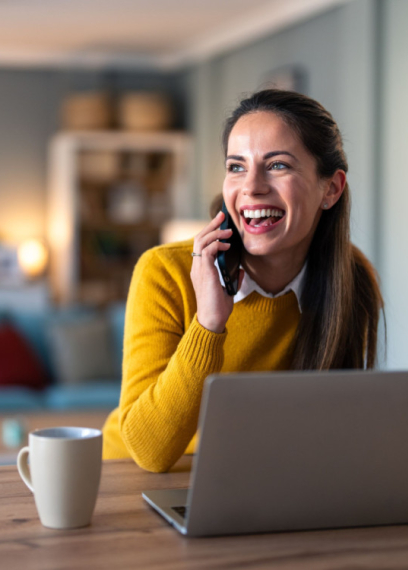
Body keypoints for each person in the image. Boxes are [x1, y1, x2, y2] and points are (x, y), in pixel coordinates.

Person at [102, 89, 384, 473]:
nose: (251, 187)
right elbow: (150, 452)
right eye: (236, 167)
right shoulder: (164, 272)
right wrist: (209, 323)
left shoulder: (352, 278)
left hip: (257, 475)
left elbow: (339, 426)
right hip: (130, 478)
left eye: (278, 165)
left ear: (331, 189)